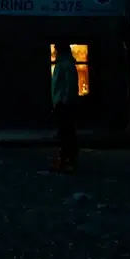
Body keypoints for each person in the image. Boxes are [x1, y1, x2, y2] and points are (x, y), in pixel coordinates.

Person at [51, 43, 80, 173]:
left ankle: (67, 160)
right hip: (61, 102)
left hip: (64, 104)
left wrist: (64, 101)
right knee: (65, 132)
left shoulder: (66, 65)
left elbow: (69, 85)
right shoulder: (63, 64)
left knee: (66, 132)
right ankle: (65, 160)